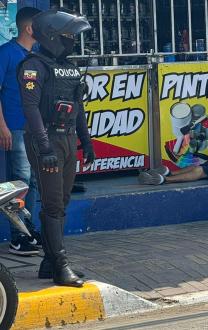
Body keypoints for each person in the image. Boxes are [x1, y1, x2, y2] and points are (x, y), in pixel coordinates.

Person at [18, 9, 95, 287]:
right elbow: (30, 108)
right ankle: (60, 266)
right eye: (67, 36)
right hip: (46, 140)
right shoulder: (32, 66)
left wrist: (86, 141)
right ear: (51, 36)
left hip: (67, 139)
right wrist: (44, 146)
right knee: (52, 206)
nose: (72, 41)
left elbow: (78, 108)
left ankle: (49, 263)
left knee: (61, 202)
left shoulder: (70, 68)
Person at [0, 7, 42, 256]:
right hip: (14, 127)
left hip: (34, 128)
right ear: (29, 28)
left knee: (34, 182)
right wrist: (2, 126)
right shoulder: (6, 53)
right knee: (21, 182)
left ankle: (28, 228)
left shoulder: (36, 55)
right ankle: (18, 237)